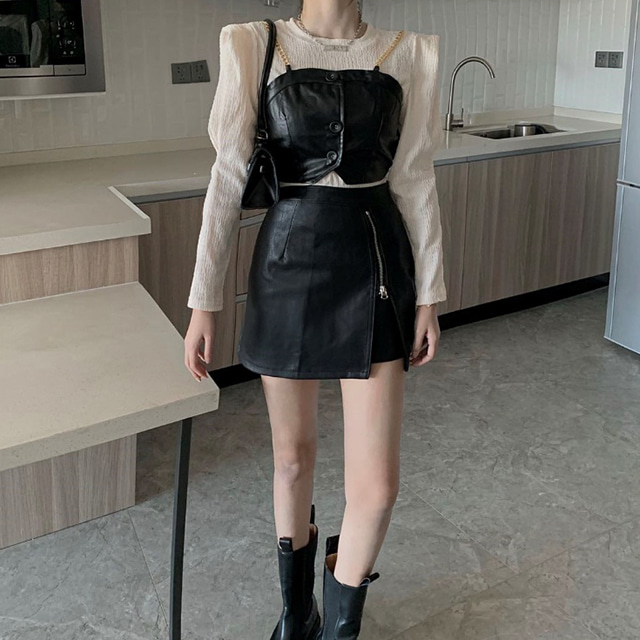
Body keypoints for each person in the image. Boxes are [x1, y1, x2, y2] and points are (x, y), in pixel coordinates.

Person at [184, 1, 447, 638]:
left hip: (376, 266)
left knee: (377, 487)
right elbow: (227, 177)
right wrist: (204, 300)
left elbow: (414, 178)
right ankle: (296, 616)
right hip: (287, 262)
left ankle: (337, 630)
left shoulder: (412, 52)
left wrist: (429, 295)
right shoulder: (252, 43)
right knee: (292, 460)